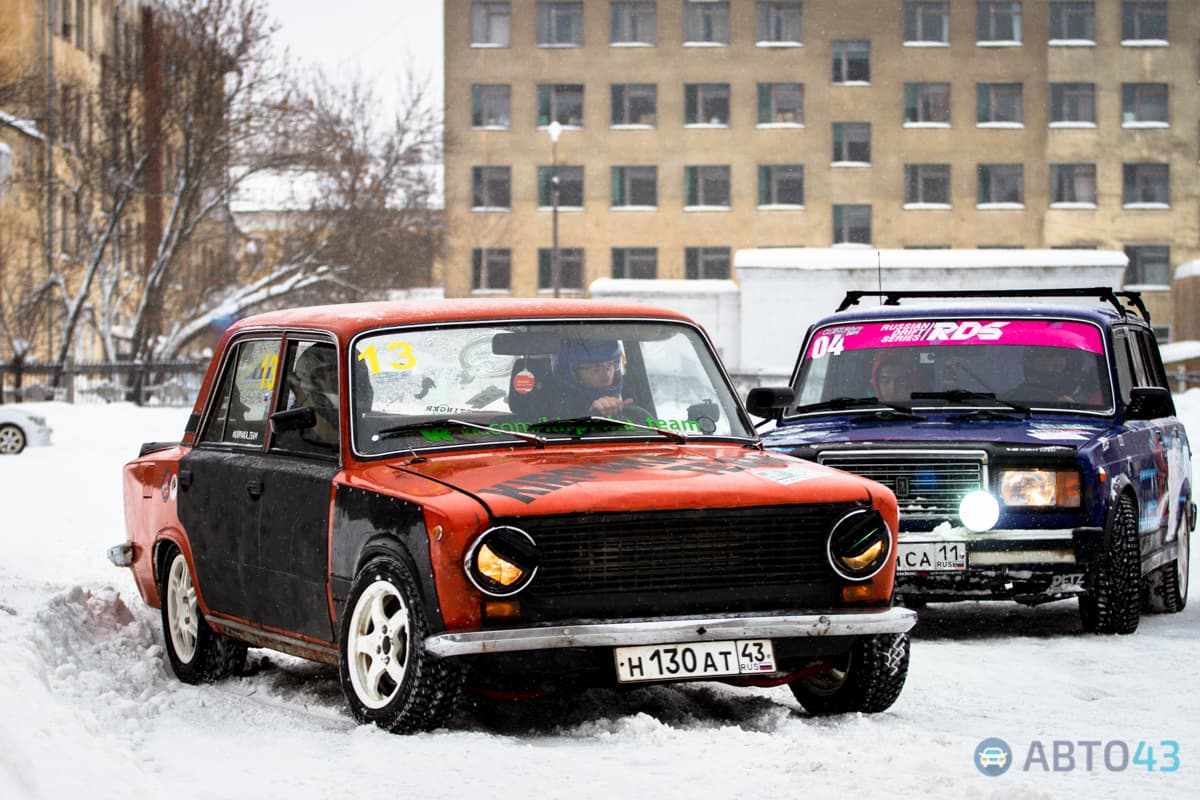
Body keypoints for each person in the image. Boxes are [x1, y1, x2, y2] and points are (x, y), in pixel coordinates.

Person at [547, 339, 633, 418]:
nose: (606, 377)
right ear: (572, 372)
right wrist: (589, 416)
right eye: (596, 368)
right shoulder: (551, 409)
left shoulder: (630, 398)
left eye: (610, 365)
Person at [288, 345, 340, 446]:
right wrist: (302, 397)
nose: (337, 381)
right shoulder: (298, 417)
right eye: (324, 377)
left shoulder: (352, 407)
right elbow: (333, 439)